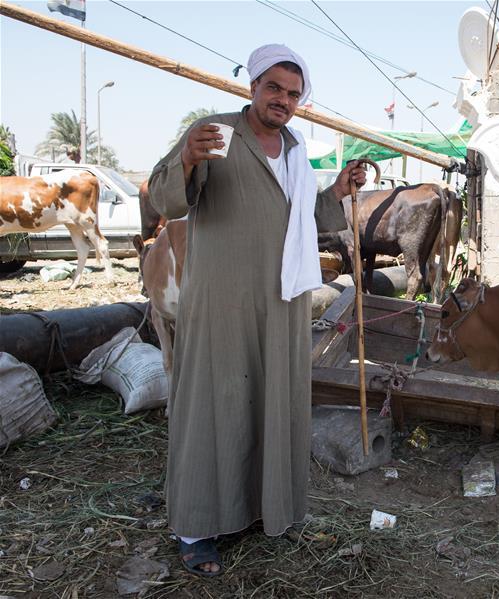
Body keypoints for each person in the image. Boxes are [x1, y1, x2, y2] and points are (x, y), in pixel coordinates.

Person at [149, 43, 368, 576]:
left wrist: (336, 190)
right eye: (274, 88)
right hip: (222, 301)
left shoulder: (295, 150)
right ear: (252, 87)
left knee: (269, 403)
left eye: (294, 94)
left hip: (282, 304)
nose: (283, 100)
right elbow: (164, 199)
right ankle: (197, 528)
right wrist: (186, 158)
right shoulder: (216, 133)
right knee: (212, 405)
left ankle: (255, 509)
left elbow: (304, 220)